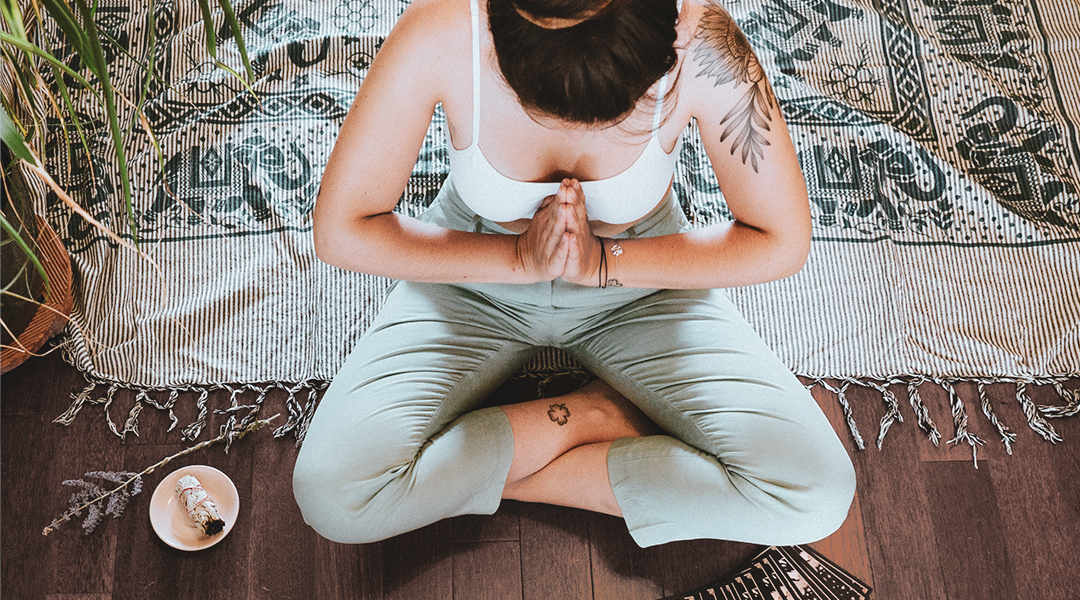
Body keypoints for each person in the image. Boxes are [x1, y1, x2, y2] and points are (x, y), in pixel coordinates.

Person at [293, 0, 856, 548]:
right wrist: (515, 260)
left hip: (640, 286)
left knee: (815, 494)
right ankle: (592, 413)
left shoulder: (702, 39)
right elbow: (342, 229)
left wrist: (603, 264)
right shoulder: (444, 23)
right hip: (473, 277)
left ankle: (466, 479)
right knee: (333, 497)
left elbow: (781, 239)